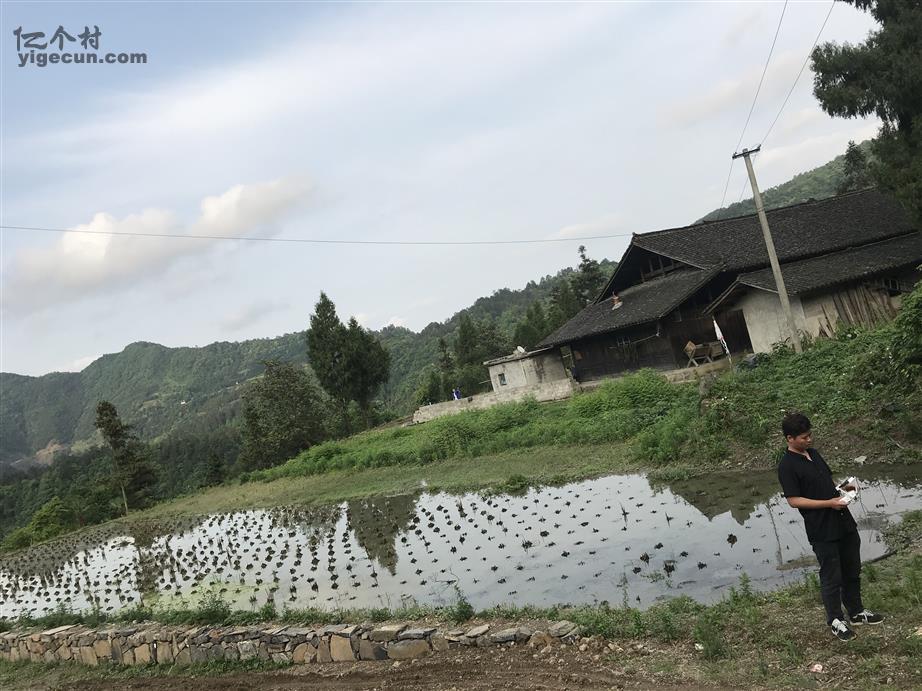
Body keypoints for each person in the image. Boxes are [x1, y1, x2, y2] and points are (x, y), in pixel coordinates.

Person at [777, 412, 884, 641]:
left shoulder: (813, 454)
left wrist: (844, 491)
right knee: (831, 576)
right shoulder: (787, 466)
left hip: (843, 521)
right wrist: (828, 503)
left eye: (810, 435)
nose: (809, 440)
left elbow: (826, 483)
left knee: (852, 569)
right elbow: (794, 500)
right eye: (804, 437)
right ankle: (836, 620)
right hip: (822, 529)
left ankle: (856, 612)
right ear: (790, 438)